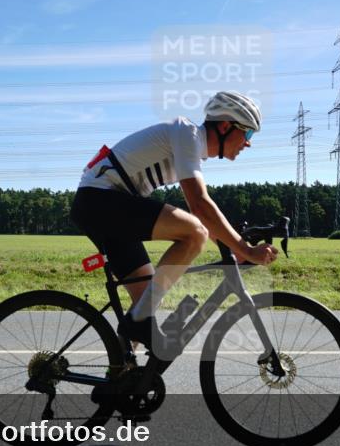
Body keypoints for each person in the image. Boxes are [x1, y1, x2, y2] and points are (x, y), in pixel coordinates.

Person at [69, 91, 279, 349]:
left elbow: (202, 217)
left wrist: (232, 248)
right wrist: (244, 248)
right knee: (193, 235)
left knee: (145, 301)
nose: (248, 143)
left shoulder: (191, 146)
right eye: (248, 134)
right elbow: (200, 206)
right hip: (99, 200)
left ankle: (120, 379)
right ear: (225, 125)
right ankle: (138, 324)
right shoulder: (187, 134)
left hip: (105, 205)